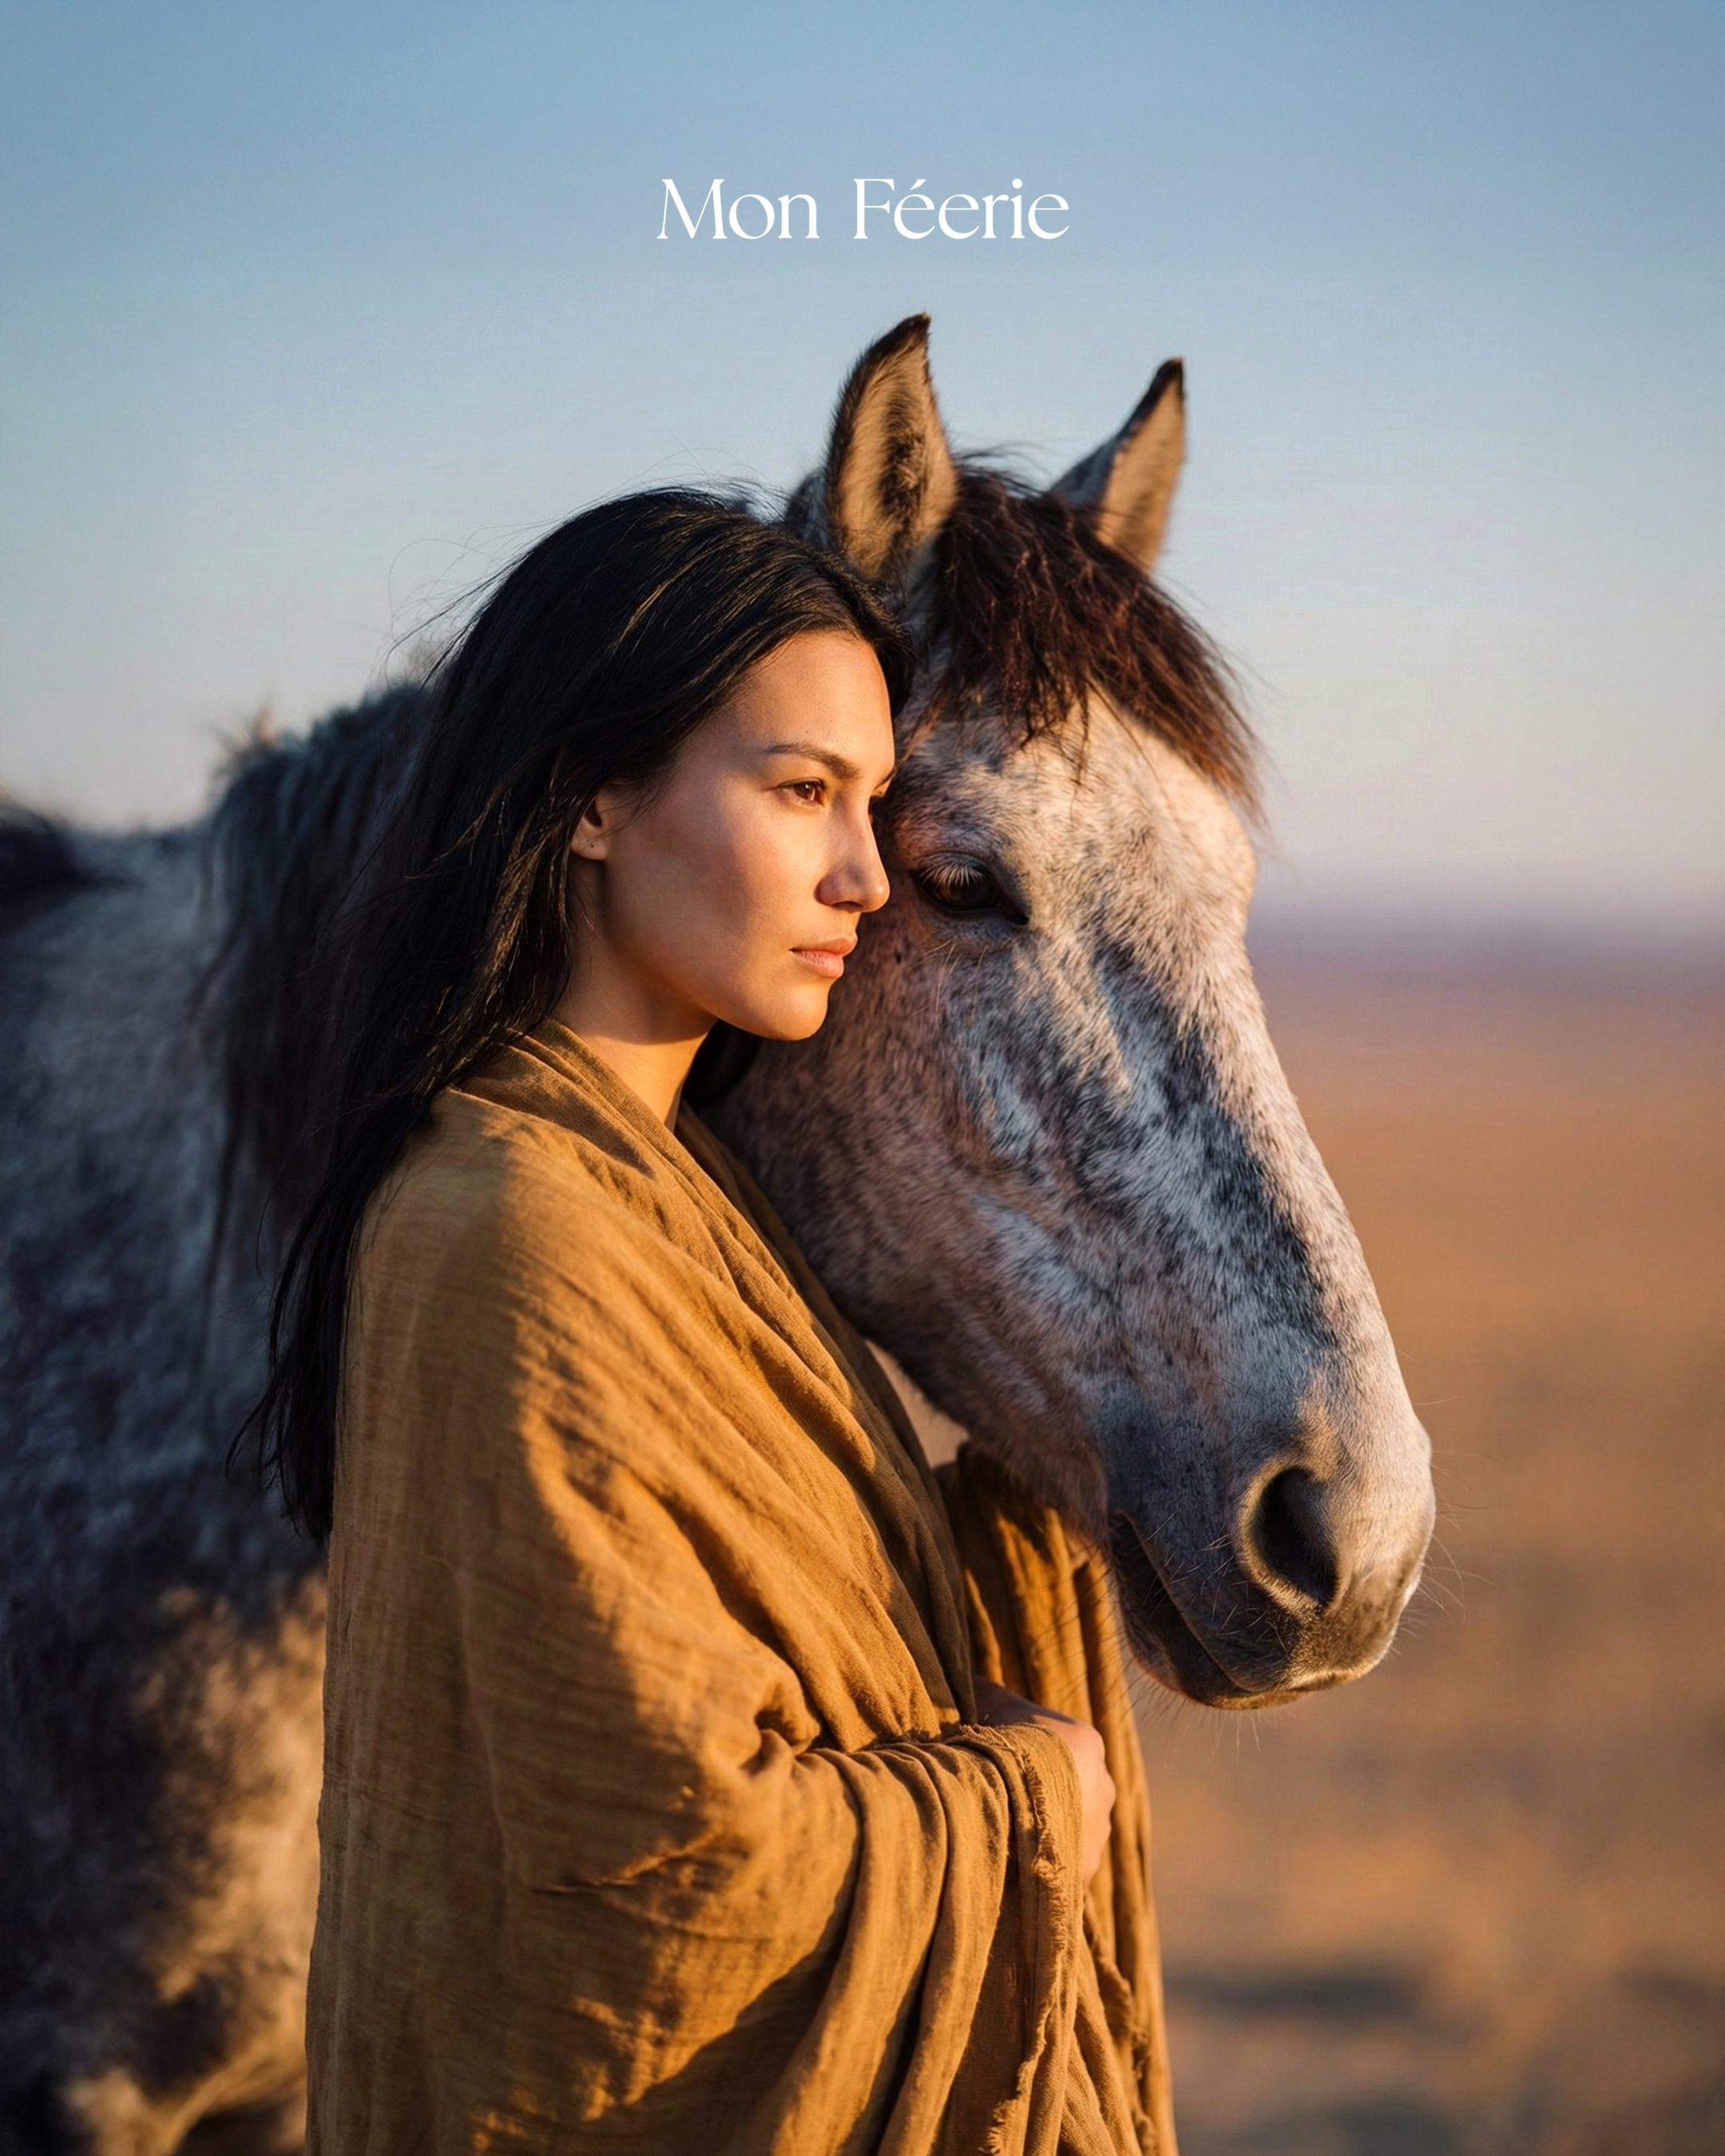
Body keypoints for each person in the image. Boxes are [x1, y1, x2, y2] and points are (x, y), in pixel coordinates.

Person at [251, 490, 1164, 2154]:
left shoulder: (683, 1200)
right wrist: (1032, 1796)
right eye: (803, 791)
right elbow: (660, 1876)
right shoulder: (507, 1230)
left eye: (876, 803)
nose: (867, 875)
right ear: (590, 798)